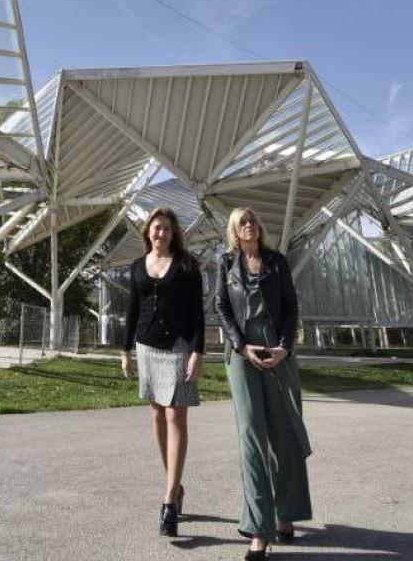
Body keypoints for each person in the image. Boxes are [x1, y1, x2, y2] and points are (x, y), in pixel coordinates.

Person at [214, 207, 312, 560]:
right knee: (251, 436)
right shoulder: (226, 263)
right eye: (243, 222)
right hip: (242, 353)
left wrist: (285, 346)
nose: (249, 226)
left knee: (284, 433)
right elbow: (221, 306)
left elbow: (291, 306)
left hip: (277, 350)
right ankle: (258, 529)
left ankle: (287, 513)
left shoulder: (276, 262)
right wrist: (240, 345)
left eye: (253, 221)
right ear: (234, 230)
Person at [121, 207, 205, 538]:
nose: (162, 233)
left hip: (179, 346)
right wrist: (125, 351)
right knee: (157, 414)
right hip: (147, 346)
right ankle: (175, 483)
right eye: (157, 227)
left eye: (167, 228)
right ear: (148, 231)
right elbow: (132, 310)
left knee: (175, 417)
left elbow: (197, 312)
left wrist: (198, 352)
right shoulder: (136, 266)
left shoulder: (187, 265)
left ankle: (169, 500)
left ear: (174, 233)